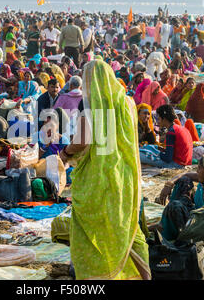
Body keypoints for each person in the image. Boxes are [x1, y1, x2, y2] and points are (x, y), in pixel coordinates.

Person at [59, 60, 150, 280]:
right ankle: (144, 274)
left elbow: (82, 141)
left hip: (97, 177)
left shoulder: (91, 105)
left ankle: (97, 275)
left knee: (91, 227)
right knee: (127, 225)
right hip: (125, 175)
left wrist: (65, 153)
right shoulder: (127, 102)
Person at [156, 154, 204, 240]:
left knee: (174, 206)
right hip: (197, 215)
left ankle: (171, 230)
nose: (197, 171)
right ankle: (168, 221)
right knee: (184, 181)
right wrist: (168, 185)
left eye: (199, 168)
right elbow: (186, 174)